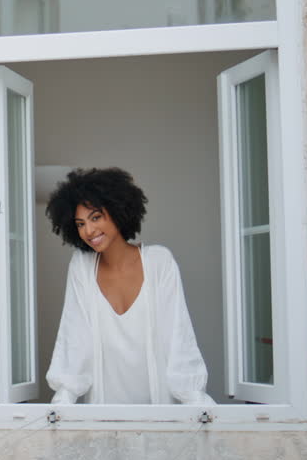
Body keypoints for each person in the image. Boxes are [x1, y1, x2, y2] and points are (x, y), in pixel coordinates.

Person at [44, 168, 214, 405]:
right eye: (80, 224)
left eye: (96, 217)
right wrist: (64, 399)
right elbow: (75, 337)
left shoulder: (159, 262)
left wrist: (195, 399)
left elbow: (178, 335)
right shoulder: (81, 267)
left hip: (158, 408)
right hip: (103, 410)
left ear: (117, 211)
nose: (89, 231)